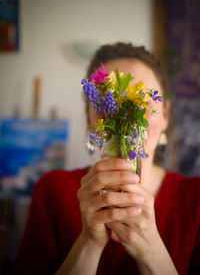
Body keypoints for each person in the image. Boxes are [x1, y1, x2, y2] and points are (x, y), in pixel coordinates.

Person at [7, 42, 200, 275]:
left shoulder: (195, 200)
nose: (124, 120)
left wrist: (151, 251)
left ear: (165, 116)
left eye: (140, 105)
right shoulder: (51, 190)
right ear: (90, 120)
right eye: (108, 105)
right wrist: (89, 241)